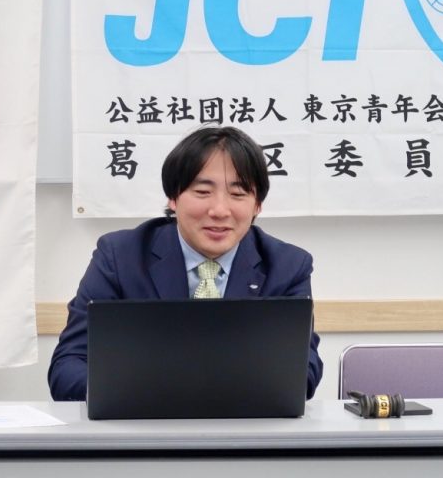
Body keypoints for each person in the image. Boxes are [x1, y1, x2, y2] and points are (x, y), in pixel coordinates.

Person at [48, 126, 323, 401]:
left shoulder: (288, 266)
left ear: (257, 205)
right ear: (173, 197)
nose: (219, 210)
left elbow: (302, 373)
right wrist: (149, 396)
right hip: (143, 422)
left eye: (238, 194)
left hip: (243, 425)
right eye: (202, 191)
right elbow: (68, 366)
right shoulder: (120, 257)